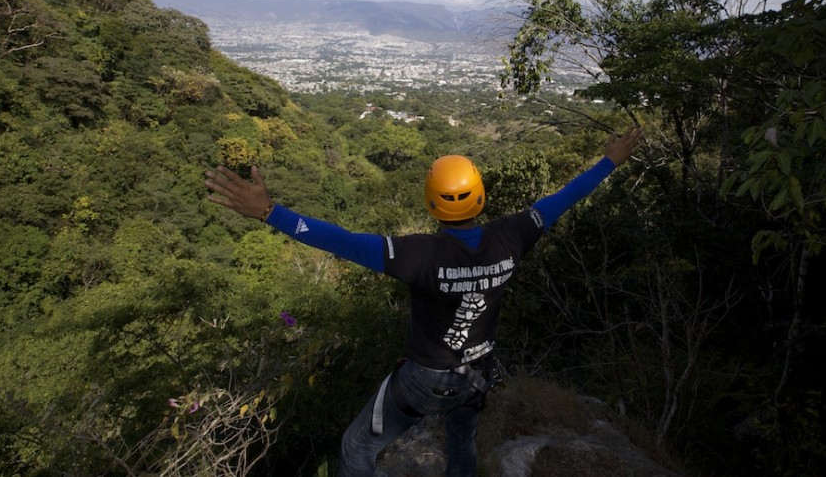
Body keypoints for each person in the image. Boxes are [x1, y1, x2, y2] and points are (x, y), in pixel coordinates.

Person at [204, 126, 643, 477]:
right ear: (480, 196)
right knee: (461, 441)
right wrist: (609, 161)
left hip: (427, 380)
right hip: (480, 369)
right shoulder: (513, 236)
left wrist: (269, 212)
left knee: (356, 448)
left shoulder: (418, 255)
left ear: (432, 204)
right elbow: (561, 200)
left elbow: (342, 242)